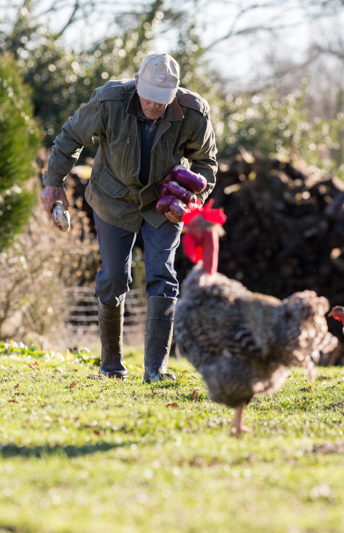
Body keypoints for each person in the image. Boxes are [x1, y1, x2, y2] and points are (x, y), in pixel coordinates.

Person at [40, 53, 218, 382]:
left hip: (163, 204)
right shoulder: (109, 101)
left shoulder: (193, 112)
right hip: (113, 199)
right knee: (113, 280)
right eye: (149, 97)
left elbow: (206, 164)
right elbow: (70, 137)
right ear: (137, 83)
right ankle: (111, 366)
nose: (154, 105)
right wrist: (53, 183)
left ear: (175, 92)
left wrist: (192, 199)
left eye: (162, 99)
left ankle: (156, 370)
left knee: (162, 275)